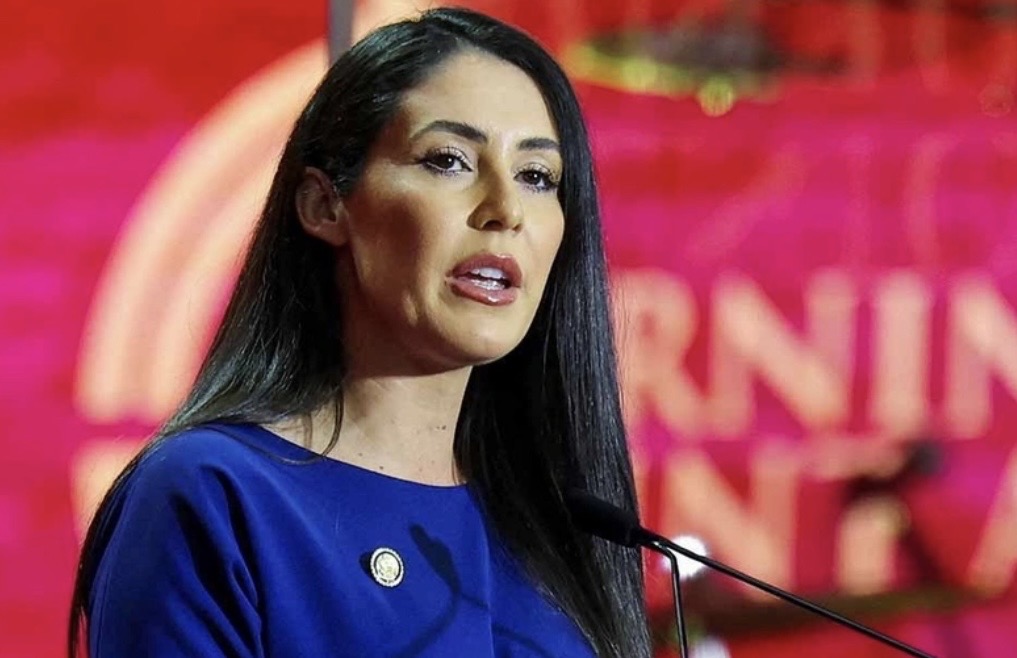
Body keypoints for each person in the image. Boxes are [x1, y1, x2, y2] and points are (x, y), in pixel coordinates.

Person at [68, 7, 650, 657]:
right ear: (325, 205)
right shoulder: (213, 494)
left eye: (537, 176)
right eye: (449, 160)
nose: (506, 210)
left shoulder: (563, 524)